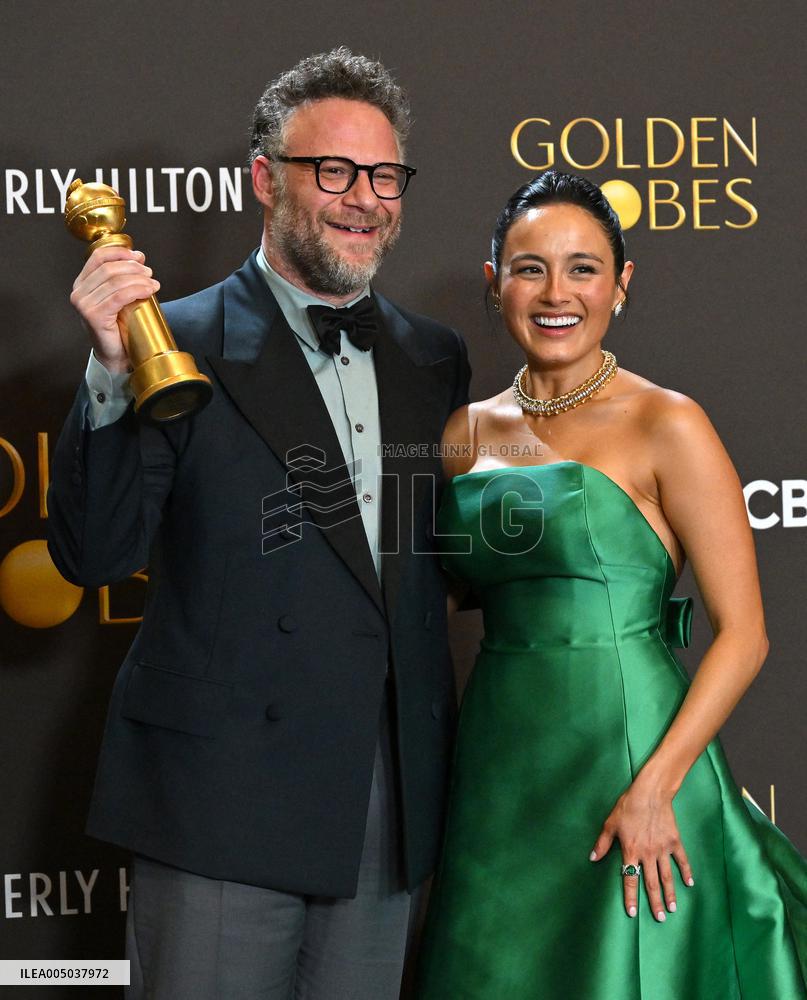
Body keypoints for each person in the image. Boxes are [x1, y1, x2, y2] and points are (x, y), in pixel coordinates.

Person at [47, 48, 470, 1000]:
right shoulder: (173, 340)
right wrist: (111, 367)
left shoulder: (434, 359)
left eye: (384, 175)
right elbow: (96, 555)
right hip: (217, 796)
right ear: (265, 180)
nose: (364, 199)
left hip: (383, 800)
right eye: (334, 171)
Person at [414, 169, 807, 998]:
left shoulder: (667, 422)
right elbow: (438, 596)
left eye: (583, 269)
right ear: (494, 283)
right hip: (499, 768)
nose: (556, 294)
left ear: (620, 285)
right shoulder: (463, 433)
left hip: (630, 758)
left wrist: (656, 787)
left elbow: (744, 636)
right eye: (529, 269)